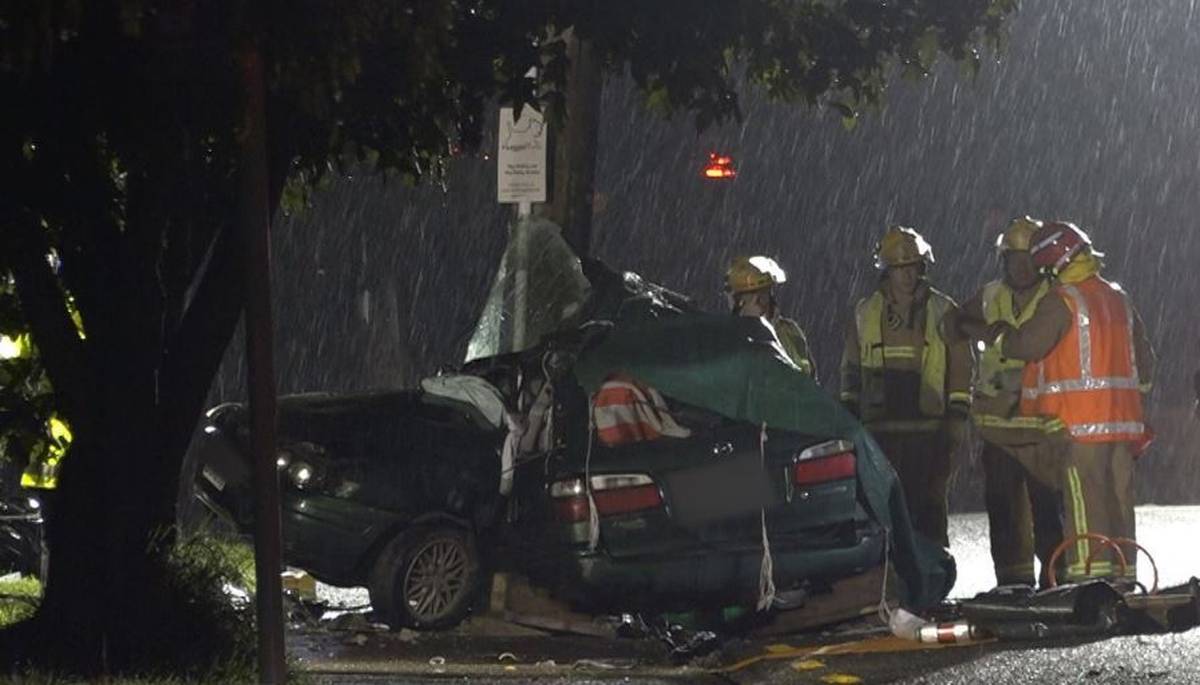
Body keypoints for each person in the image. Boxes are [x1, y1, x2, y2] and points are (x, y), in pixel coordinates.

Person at [994, 221, 1155, 583]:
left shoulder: (1063, 300)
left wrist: (1001, 337)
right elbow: (1145, 363)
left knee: (1086, 502)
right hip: (1123, 425)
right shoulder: (1118, 298)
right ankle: (1124, 576)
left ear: (1053, 264)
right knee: (1118, 500)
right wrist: (1132, 403)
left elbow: (1028, 345)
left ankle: (1090, 580)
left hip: (1080, 425)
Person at [840, 226, 972, 547]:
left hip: (929, 427)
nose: (907, 276)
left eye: (912, 267)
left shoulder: (943, 310)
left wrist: (957, 415)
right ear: (888, 271)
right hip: (880, 429)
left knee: (929, 505)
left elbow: (961, 365)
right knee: (884, 509)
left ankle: (933, 571)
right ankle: (891, 578)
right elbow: (851, 367)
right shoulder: (866, 312)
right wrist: (849, 411)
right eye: (900, 268)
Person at [954, 217, 1064, 587]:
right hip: (998, 429)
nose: (1020, 266)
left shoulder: (1057, 295)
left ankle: (1057, 579)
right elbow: (953, 323)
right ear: (1003, 261)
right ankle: (1013, 584)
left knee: (1049, 510)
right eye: (1013, 258)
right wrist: (984, 331)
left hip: (1040, 428)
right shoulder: (991, 295)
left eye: (1027, 257)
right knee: (1003, 511)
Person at [725, 255, 816, 375]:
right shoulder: (729, 342)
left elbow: (809, 379)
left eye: (764, 296)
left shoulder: (790, 331)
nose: (763, 304)